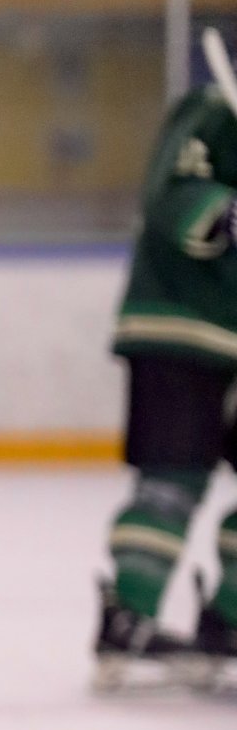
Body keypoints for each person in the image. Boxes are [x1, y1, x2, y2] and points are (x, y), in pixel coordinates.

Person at [95, 69, 237, 693]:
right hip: (181, 325)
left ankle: (228, 619)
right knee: (171, 482)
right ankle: (129, 616)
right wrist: (225, 213)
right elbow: (171, 192)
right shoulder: (214, 110)